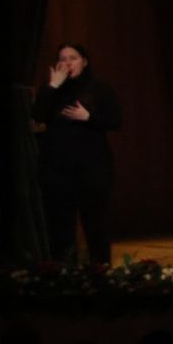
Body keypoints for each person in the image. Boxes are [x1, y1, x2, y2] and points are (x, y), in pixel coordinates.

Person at [31, 43, 122, 263]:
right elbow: (38, 116)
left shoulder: (100, 89)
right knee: (60, 226)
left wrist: (88, 118)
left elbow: (116, 121)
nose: (67, 63)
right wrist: (52, 87)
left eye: (73, 58)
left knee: (96, 224)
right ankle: (64, 275)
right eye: (62, 59)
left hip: (93, 168)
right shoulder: (53, 90)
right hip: (57, 169)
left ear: (84, 61)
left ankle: (100, 273)